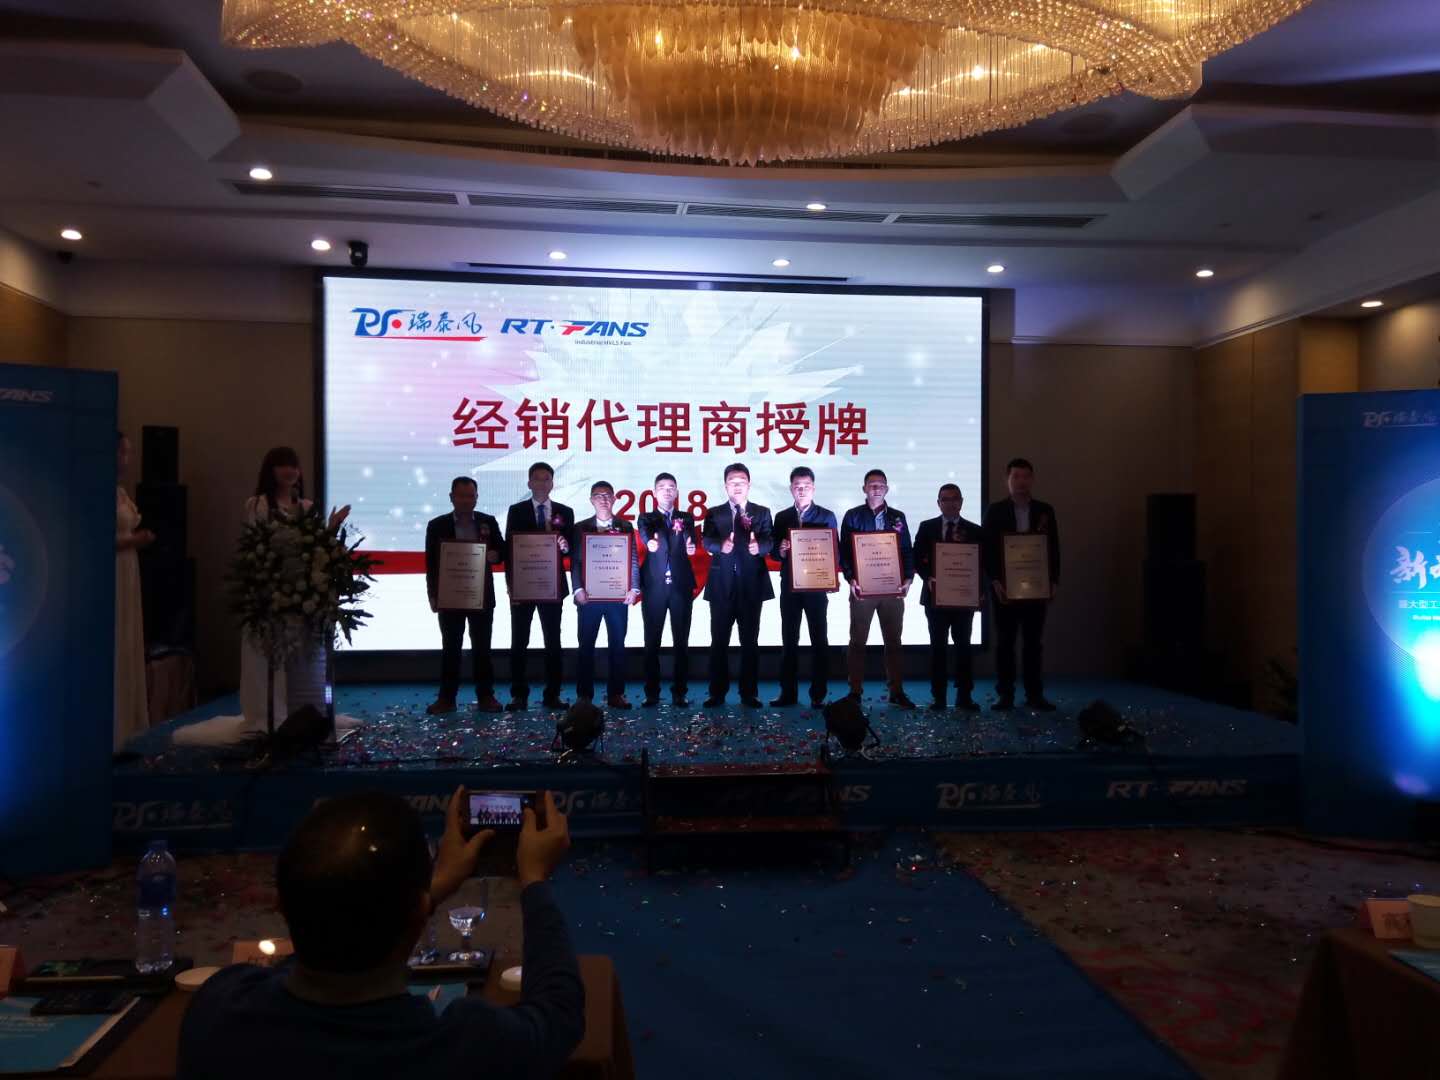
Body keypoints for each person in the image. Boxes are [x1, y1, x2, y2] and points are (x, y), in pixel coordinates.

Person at [177, 787, 583, 1080]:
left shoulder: (218, 1011)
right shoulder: (468, 1046)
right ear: (419, 913)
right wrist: (534, 880)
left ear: (281, 907)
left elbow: (320, 941)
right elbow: (559, 1011)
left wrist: (431, 890)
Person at [238, 447, 350, 728]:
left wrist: (332, 527)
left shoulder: (307, 506)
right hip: (269, 590)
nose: (290, 471)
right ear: (271, 470)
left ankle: (301, 713)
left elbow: (315, 545)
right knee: (266, 657)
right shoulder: (257, 505)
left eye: (294, 466)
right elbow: (253, 545)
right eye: (283, 465)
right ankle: (266, 716)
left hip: (300, 592)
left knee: (299, 659)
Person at [983, 457, 1061, 711]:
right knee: (1005, 643)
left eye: (1026, 476)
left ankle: (1034, 694)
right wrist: (995, 580)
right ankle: (1005, 694)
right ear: (1007, 480)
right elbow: (988, 550)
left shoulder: (1045, 510)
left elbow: (1053, 548)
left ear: (1032, 479)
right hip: (1004, 589)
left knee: (1033, 644)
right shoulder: (995, 511)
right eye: (1016, 476)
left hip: (1036, 588)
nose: (1021, 481)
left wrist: (1053, 580)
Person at [424, 477, 504, 715]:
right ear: (452, 497)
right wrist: (433, 595)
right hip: (450, 596)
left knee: (483, 648)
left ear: (476, 498)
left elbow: (501, 551)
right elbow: (431, 563)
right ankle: (447, 698)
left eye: (471, 496)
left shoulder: (488, 522)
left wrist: (495, 555)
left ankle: (486, 696)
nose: (466, 500)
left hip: (481, 596)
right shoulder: (437, 525)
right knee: (451, 648)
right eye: (461, 496)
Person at [839, 469, 916, 709]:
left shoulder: (898, 517)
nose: (876, 488)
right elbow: (845, 553)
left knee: (893, 641)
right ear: (864, 488)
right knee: (857, 641)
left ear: (887, 489)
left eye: (881, 484)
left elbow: (906, 550)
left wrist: (908, 579)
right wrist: (851, 579)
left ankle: (896, 690)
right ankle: (855, 691)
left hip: (892, 588)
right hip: (862, 589)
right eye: (872, 484)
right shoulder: (852, 516)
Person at [702, 463, 773, 708]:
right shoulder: (714, 513)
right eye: (732, 481)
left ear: (749, 484)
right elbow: (706, 540)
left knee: (750, 643)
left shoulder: (762, 512)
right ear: (725, 486)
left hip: (751, 587)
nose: (737, 485)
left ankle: (749, 693)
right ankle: (717, 693)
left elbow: (770, 540)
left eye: (741, 481)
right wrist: (719, 546)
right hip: (721, 586)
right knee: (718, 642)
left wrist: (759, 547)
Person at [503, 462, 573, 712]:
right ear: (529, 483)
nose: (542, 483)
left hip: (552, 587)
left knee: (553, 642)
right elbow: (510, 550)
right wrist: (511, 586)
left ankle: (552, 695)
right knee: (519, 641)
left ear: (552, 483)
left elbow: (571, 549)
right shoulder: (516, 510)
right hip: (523, 587)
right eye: (537, 479)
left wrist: (565, 546)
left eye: (546, 479)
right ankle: (518, 695)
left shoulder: (565, 511)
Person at [914, 483, 985, 712]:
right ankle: (939, 697)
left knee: (964, 647)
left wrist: (979, 591)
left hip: (964, 599)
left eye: (954, 498)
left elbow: (982, 564)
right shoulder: (927, 527)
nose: (950, 503)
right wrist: (928, 577)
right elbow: (917, 558)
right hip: (935, 598)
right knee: (938, 648)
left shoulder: (975, 530)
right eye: (945, 499)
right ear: (938, 503)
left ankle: (965, 696)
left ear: (961, 502)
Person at [771, 466, 838, 707]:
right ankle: (787, 693)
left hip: (816, 588)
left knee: (819, 640)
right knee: (789, 640)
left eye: (806, 486)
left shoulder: (826, 516)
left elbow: (834, 551)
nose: (802, 490)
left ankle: (818, 694)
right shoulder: (782, 517)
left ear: (813, 488)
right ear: (791, 489)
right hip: (790, 587)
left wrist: (830, 577)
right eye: (797, 486)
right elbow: (773, 553)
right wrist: (780, 550)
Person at [571, 481, 641, 708]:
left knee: (618, 646)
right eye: (598, 495)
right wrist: (577, 589)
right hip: (588, 598)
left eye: (607, 495)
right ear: (591, 500)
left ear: (614, 499)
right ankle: (584, 696)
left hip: (617, 597)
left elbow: (632, 558)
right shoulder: (580, 527)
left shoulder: (625, 525)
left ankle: (616, 694)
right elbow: (575, 562)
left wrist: (634, 588)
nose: (603, 499)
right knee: (586, 646)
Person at [635, 472, 697, 707]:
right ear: (654, 493)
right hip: (654, 587)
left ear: (677, 492)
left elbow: (689, 538)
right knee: (652, 642)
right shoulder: (647, 517)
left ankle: (679, 692)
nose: (667, 491)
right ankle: (652, 692)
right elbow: (645, 533)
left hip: (681, 586)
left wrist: (690, 546)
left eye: (671, 487)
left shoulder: (685, 517)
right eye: (662, 487)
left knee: (681, 642)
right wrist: (649, 542)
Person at [114, 431, 153, 750]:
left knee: (128, 636)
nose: (126, 460)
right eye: (122, 452)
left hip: (128, 567)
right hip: (113, 568)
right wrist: (133, 541)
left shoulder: (121, 491)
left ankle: (128, 724)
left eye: (128, 453)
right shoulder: (95, 488)